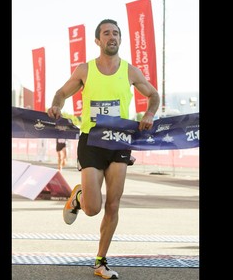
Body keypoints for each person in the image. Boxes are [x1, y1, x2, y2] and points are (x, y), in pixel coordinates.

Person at [47, 19, 160, 279]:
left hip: (119, 141)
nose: (112, 37)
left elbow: (153, 95)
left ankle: (100, 262)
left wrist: (150, 113)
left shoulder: (130, 71)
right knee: (92, 208)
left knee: (113, 204)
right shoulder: (85, 70)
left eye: (116, 33)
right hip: (92, 141)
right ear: (98, 41)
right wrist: (56, 105)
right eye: (107, 33)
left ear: (120, 40)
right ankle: (79, 197)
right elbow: (61, 93)